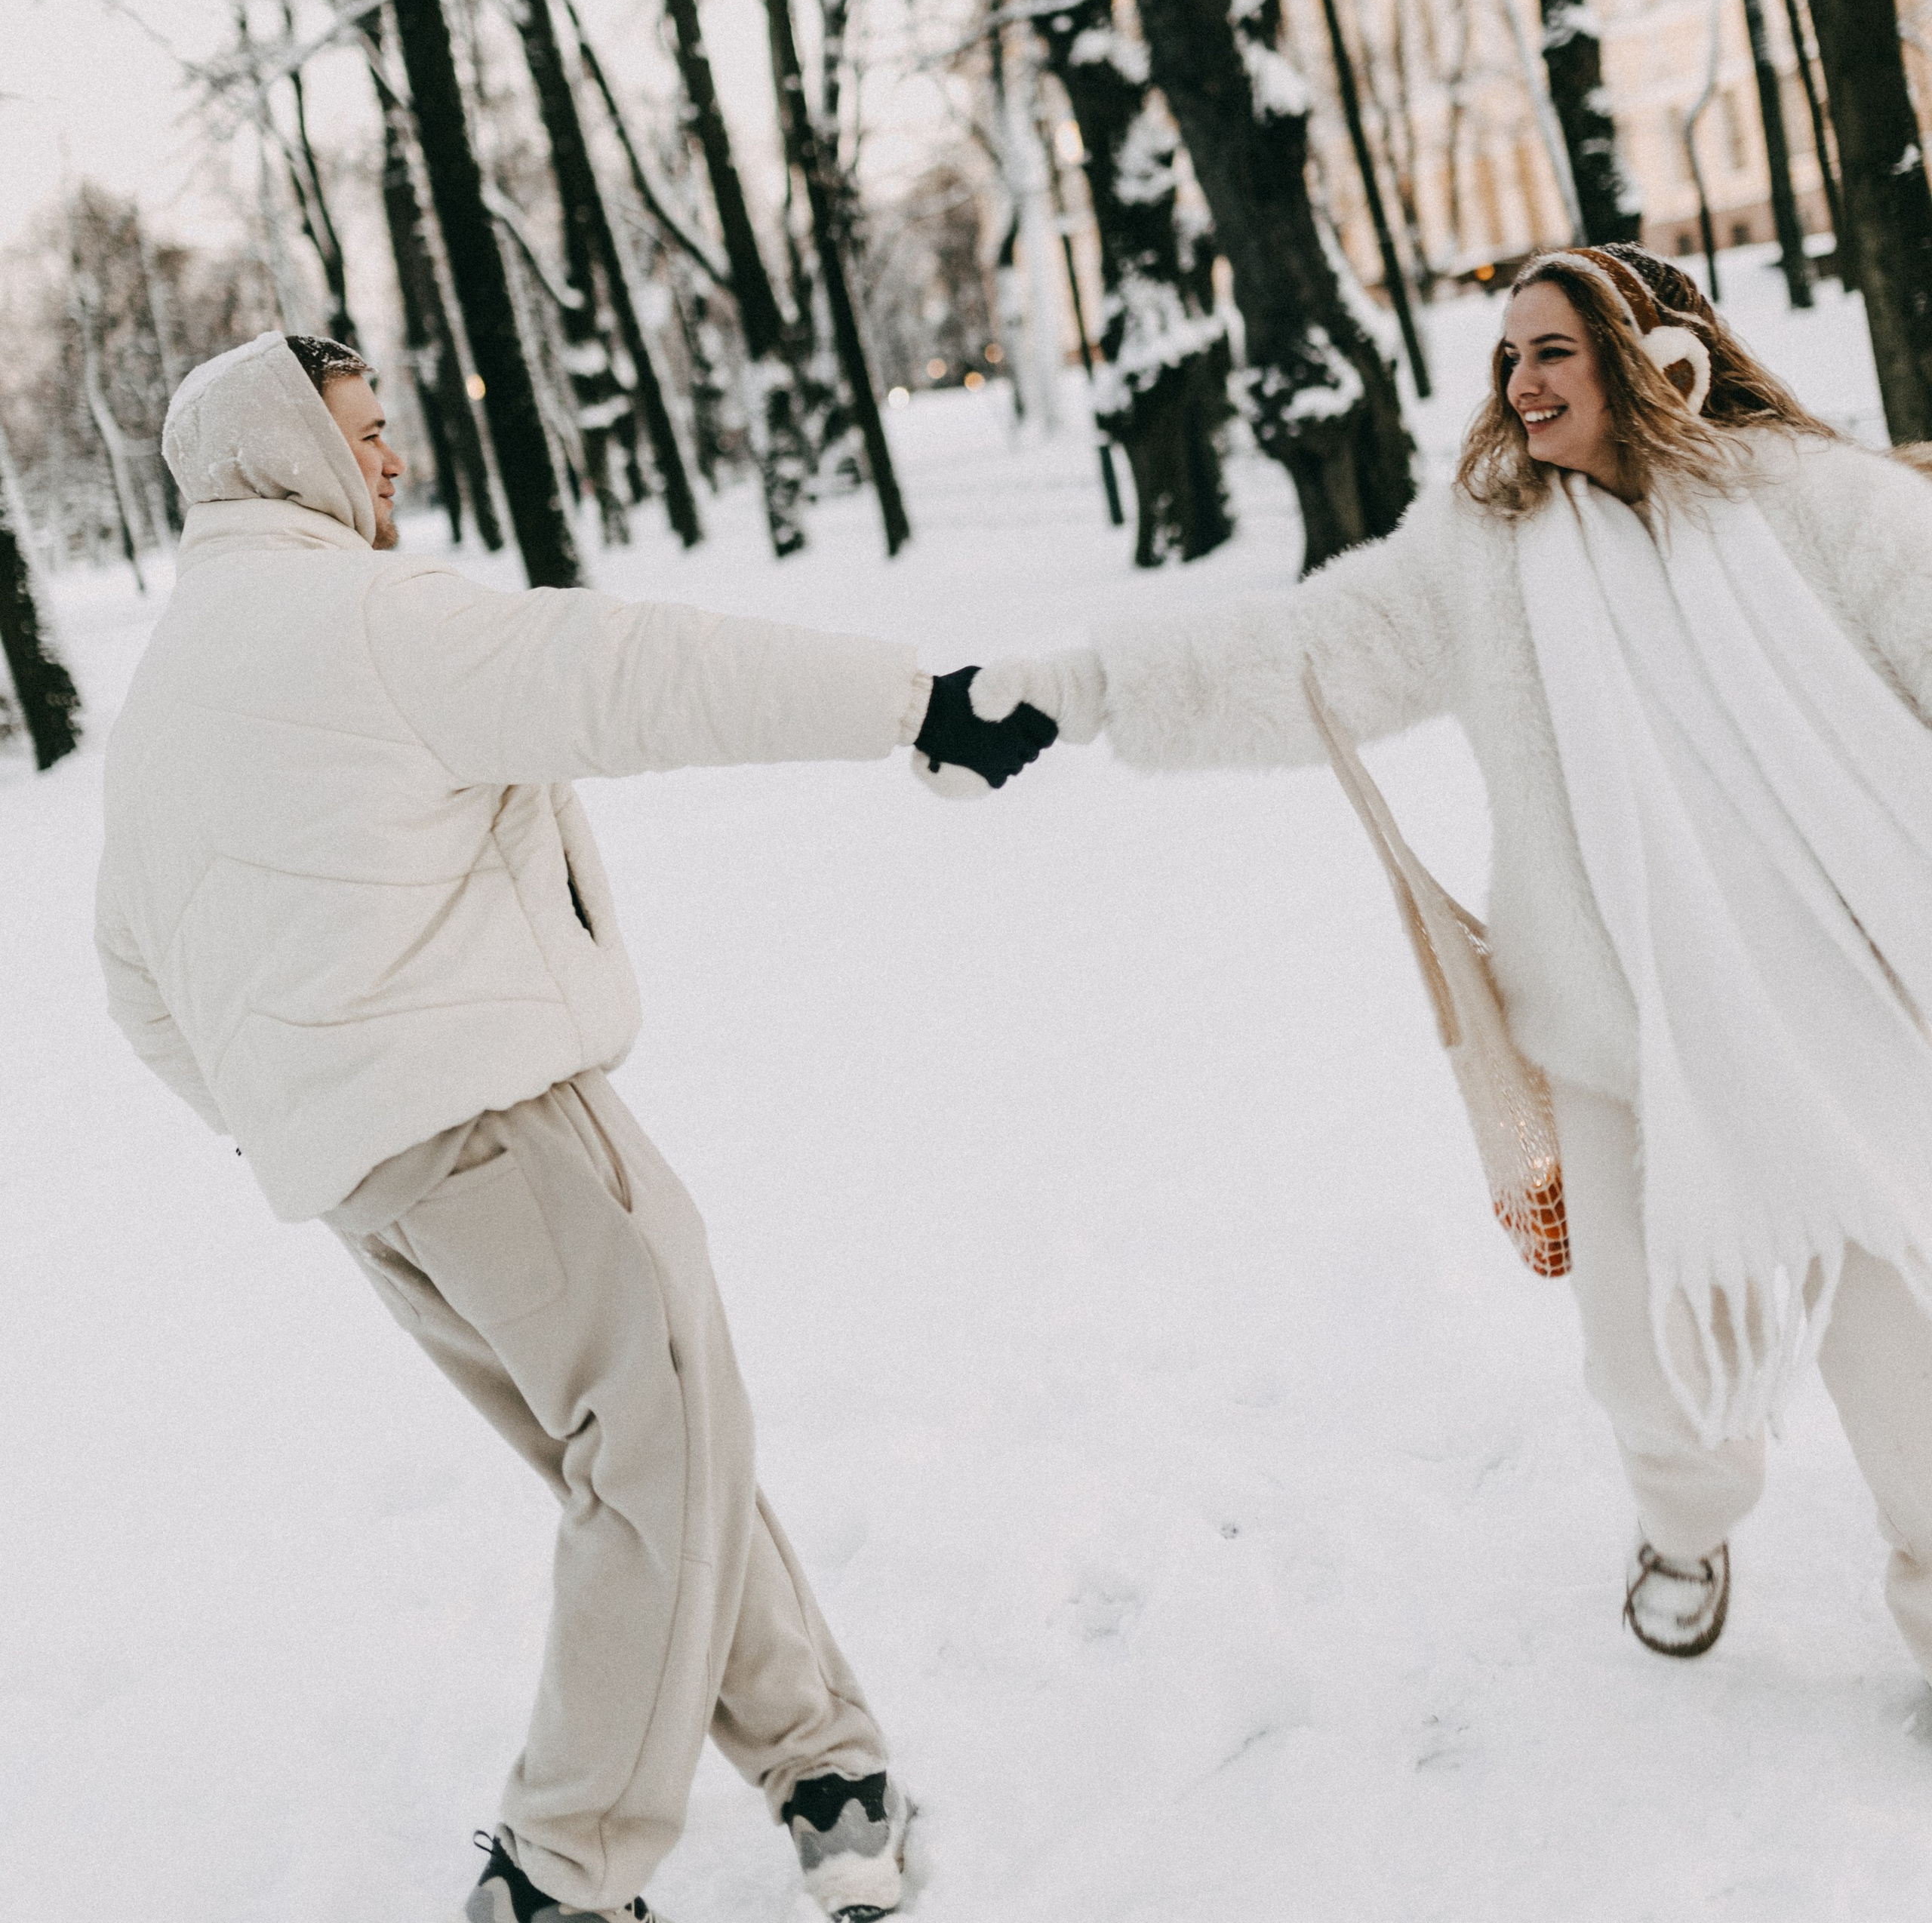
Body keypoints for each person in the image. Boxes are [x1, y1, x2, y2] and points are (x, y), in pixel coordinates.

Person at [95, 330, 1055, 1923]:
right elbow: (639, 674)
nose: (391, 457)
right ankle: (560, 1868)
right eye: (364, 432)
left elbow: (137, 988)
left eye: (391, 426)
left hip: (370, 1187)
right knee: (658, 1470)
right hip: (506, 1133)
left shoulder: (168, 694)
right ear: (287, 453)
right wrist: (913, 701)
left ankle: (824, 1764)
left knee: (658, 1472)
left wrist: (299, 1109)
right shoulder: (371, 621)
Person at [983, 245, 1932, 1675]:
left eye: (1554, 349)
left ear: (1654, 355)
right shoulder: (1483, 553)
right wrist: (1079, 693)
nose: (1521, 380)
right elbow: (1301, 654)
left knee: (1910, 1361)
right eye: (1511, 355)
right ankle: (1686, 1518)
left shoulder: (1810, 504)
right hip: (1618, 1039)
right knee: (1644, 1355)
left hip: (1847, 1016)